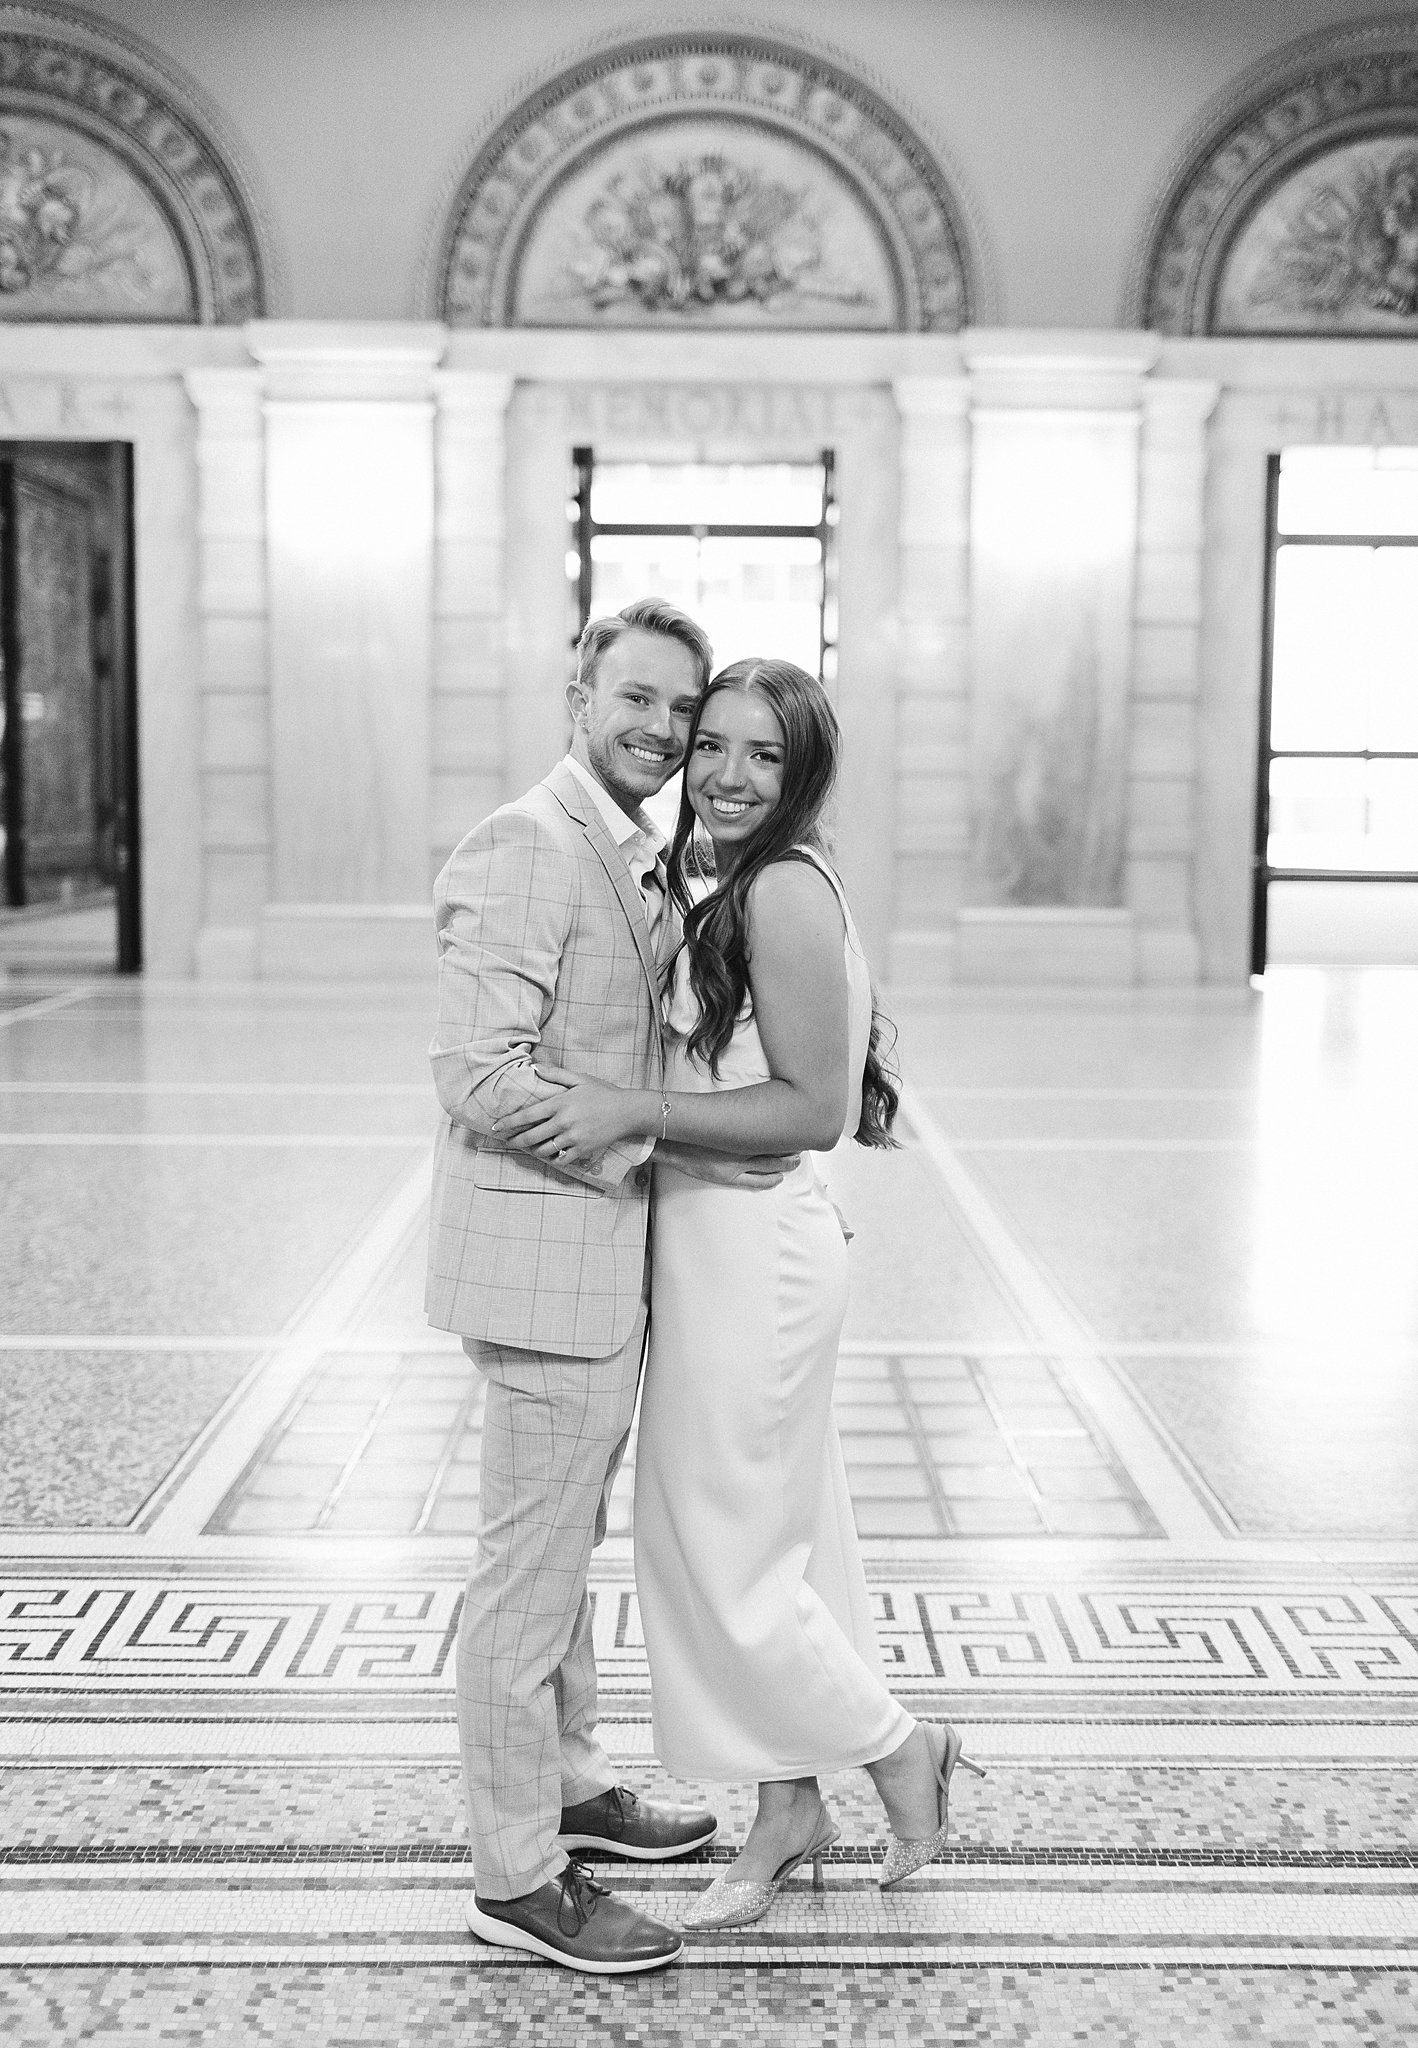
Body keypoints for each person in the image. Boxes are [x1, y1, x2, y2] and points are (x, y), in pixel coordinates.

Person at [496, 657, 986, 1931]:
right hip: (714, 1249)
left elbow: (811, 1109)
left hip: (755, 1259)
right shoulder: (729, 876)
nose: (721, 772)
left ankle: (898, 1745)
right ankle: (786, 1805)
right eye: (709, 743)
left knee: (717, 1556)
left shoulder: (778, 885)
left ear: (801, 770)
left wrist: (632, 1111)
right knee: (781, 1545)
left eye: (760, 755)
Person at [426, 600, 798, 1975]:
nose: (657, 730)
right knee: (522, 1589)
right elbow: (476, 1070)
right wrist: (641, 1124)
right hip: (544, 1271)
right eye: (632, 699)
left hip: (601, 1265)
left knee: (559, 1564)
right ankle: (516, 1878)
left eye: (678, 713)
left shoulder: (633, 849)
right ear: (577, 692)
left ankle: (573, 1787)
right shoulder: (528, 843)